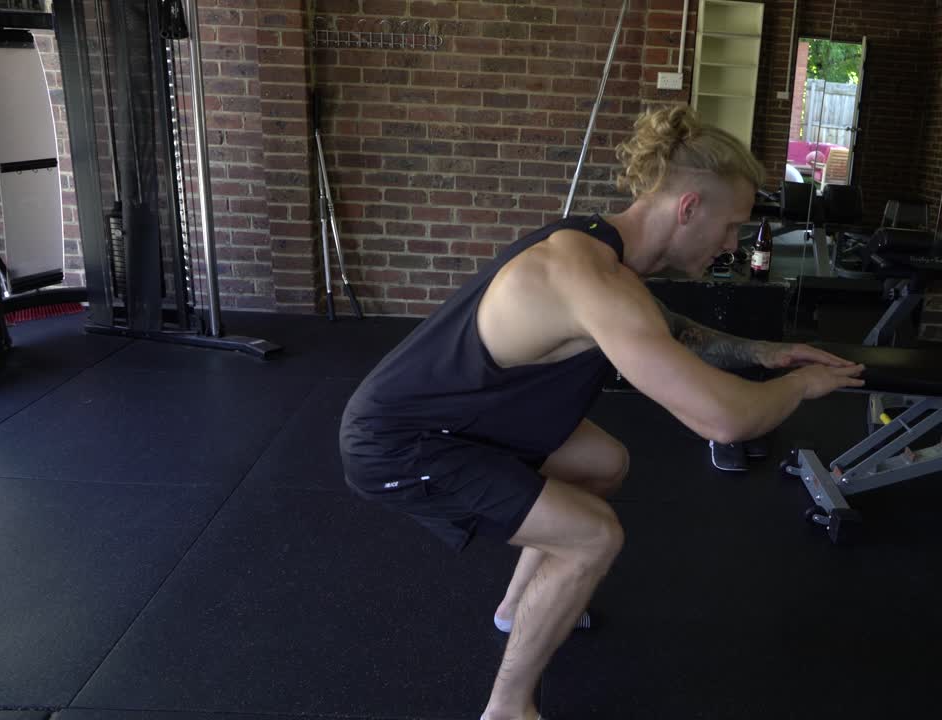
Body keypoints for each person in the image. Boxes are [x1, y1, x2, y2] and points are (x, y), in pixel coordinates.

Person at [339, 104, 865, 720]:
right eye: (732, 226)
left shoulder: (602, 249)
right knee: (593, 537)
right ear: (689, 207)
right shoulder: (591, 280)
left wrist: (766, 353)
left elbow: (670, 329)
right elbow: (727, 421)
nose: (733, 244)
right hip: (403, 442)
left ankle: (516, 609)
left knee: (602, 462)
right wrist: (802, 387)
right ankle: (508, 709)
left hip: (463, 417)